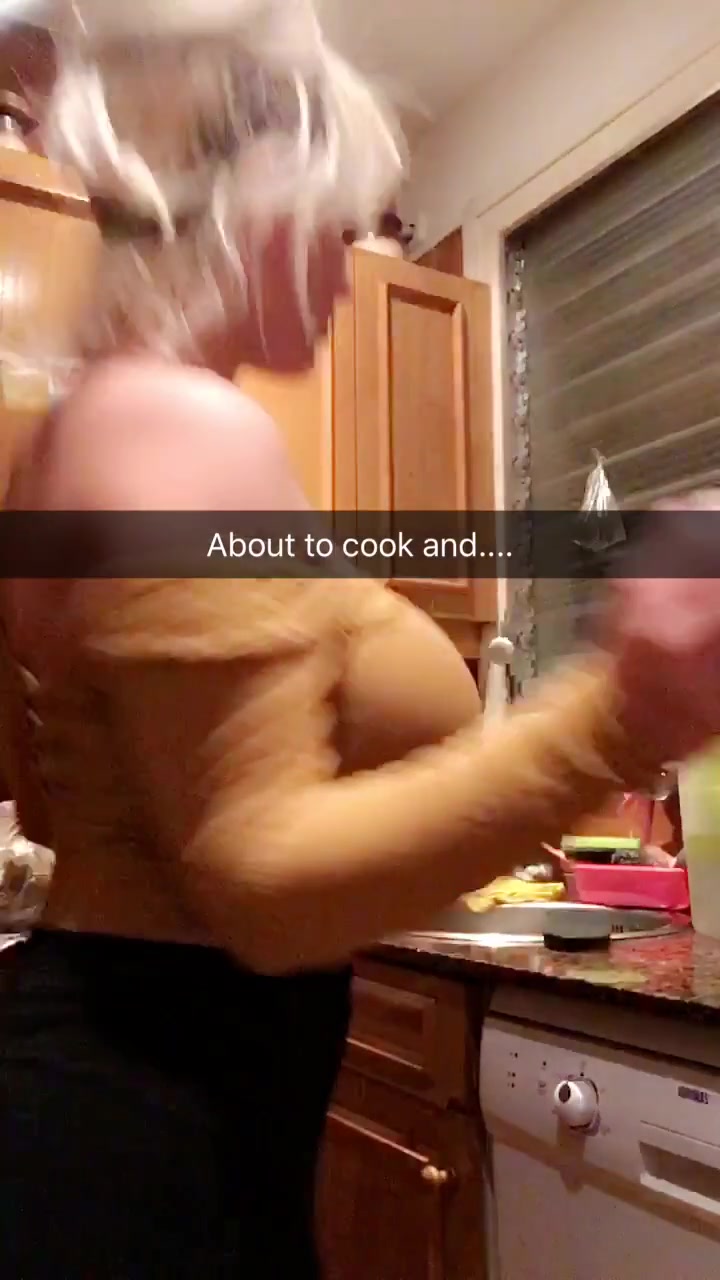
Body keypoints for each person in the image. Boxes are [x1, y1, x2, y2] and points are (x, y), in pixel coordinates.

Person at [0, 0, 719, 1275]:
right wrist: (625, 712)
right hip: (144, 1141)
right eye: (338, 229)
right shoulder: (181, 426)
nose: (346, 274)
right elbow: (268, 887)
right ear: (257, 204)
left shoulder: (104, 425)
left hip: (146, 1096)